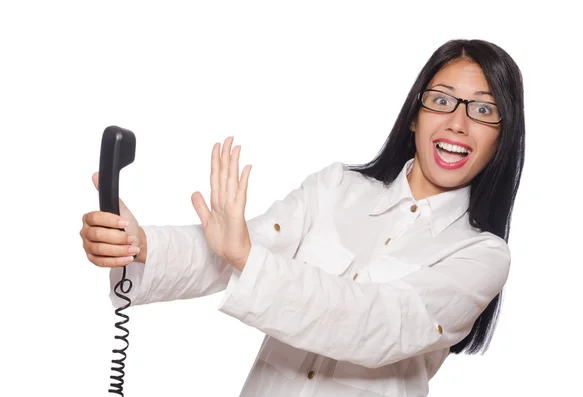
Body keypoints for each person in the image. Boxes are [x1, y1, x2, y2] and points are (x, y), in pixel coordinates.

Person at [80, 38, 525, 397]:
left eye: (483, 110)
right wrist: (138, 244)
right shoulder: (337, 188)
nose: (458, 123)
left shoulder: (482, 256)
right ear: (415, 115)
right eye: (442, 101)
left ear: (501, 137)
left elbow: (377, 324)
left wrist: (245, 256)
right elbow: (235, 245)